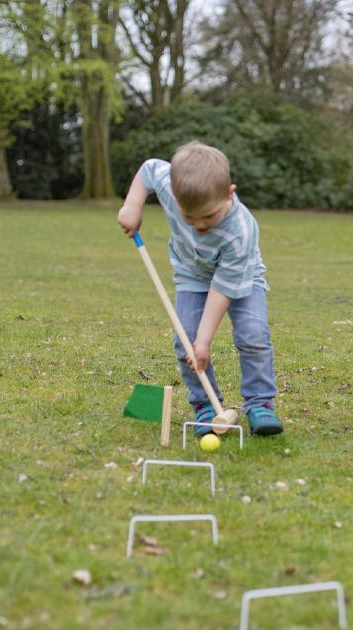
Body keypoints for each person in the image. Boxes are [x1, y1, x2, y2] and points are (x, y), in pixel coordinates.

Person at [117, 141, 283, 436]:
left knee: (253, 334)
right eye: (188, 217)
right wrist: (132, 205)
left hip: (240, 278)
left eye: (209, 216)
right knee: (186, 341)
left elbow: (222, 289)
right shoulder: (171, 185)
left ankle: (260, 403)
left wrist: (204, 341)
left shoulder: (241, 231)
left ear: (229, 193)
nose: (199, 226)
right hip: (191, 275)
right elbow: (148, 169)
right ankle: (205, 403)